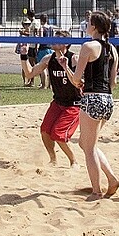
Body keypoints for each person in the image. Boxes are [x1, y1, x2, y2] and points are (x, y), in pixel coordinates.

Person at [55, 9, 119, 200]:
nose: (86, 24)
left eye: (88, 22)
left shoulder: (88, 46)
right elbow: (113, 82)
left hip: (92, 99)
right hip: (108, 100)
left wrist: (68, 66)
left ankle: (96, 191)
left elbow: (76, 81)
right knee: (85, 143)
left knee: (89, 148)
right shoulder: (113, 49)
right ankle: (111, 178)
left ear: (93, 26)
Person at [25, 31, 79, 165]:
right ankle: (53, 159)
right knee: (45, 131)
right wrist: (23, 55)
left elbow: (78, 82)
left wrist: (65, 67)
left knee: (59, 135)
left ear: (66, 43)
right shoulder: (48, 59)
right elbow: (29, 73)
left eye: (58, 39)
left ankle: (74, 161)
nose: (54, 40)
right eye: (53, 38)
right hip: (58, 102)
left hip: (74, 104)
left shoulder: (74, 59)